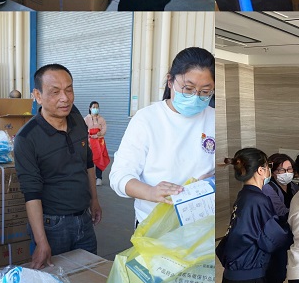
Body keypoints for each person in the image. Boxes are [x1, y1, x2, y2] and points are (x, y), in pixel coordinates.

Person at [110, 47, 215, 224]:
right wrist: (150, 192)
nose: (195, 97)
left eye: (205, 92)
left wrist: (212, 181)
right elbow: (119, 176)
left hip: (202, 225)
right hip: (154, 226)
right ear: (170, 81)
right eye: (188, 88)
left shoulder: (214, 118)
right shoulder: (146, 119)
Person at [13, 63, 103, 269]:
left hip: (84, 220)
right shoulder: (27, 138)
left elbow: (87, 162)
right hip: (53, 226)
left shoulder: (77, 119)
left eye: (69, 90)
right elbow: (31, 193)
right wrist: (41, 242)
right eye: (55, 92)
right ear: (37, 95)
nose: (65, 98)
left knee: (90, 276)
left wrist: (94, 200)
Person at [217, 148, 293, 283]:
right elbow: (273, 239)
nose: (269, 170)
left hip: (238, 279)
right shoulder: (257, 199)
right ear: (260, 170)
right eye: (269, 166)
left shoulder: (245, 195)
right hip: (246, 281)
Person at [262, 153, 299, 283]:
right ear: (272, 172)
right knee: (275, 275)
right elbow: (282, 212)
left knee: (281, 273)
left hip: (289, 237)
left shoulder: (294, 187)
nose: (286, 173)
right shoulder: (268, 189)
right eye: (281, 170)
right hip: (275, 239)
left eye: (289, 169)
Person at [84, 100, 109, 186]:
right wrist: (90, 135)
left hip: (99, 142)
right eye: (94, 107)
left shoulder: (101, 119)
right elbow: (83, 130)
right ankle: (89, 177)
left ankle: (99, 178)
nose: (96, 109)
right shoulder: (86, 119)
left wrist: (99, 134)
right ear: (90, 108)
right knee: (89, 159)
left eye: (97, 107)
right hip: (89, 142)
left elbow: (104, 129)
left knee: (99, 159)